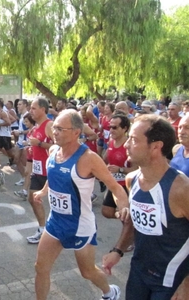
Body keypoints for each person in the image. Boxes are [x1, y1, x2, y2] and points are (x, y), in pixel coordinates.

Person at [33, 110, 130, 300]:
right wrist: (44, 191)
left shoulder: (89, 158)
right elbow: (53, 176)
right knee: (40, 268)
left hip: (80, 226)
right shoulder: (53, 151)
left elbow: (116, 188)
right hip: (55, 222)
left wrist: (123, 206)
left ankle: (110, 292)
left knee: (87, 272)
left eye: (60, 129)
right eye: (54, 128)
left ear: (76, 132)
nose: (55, 132)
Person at [103, 114, 189, 300]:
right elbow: (135, 222)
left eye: (133, 139)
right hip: (138, 273)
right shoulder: (131, 179)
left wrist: (187, 285)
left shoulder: (181, 188)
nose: (126, 145)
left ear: (156, 147)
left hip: (171, 282)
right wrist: (118, 250)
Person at [26, 98, 54, 244]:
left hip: (49, 171)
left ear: (43, 109)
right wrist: (32, 148)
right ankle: (42, 229)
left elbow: (60, 147)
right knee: (32, 198)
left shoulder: (49, 125)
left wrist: (40, 144)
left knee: (57, 203)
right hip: (38, 170)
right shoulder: (36, 127)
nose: (31, 111)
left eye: (34, 108)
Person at [102, 114, 137, 219]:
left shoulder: (129, 145)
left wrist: (120, 170)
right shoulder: (111, 142)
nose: (111, 130)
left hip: (127, 185)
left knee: (125, 217)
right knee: (106, 211)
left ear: (125, 128)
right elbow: (105, 159)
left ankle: (131, 223)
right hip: (114, 183)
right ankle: (130, 220)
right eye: (109, 127)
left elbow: (137, 169)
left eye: (114, 127)